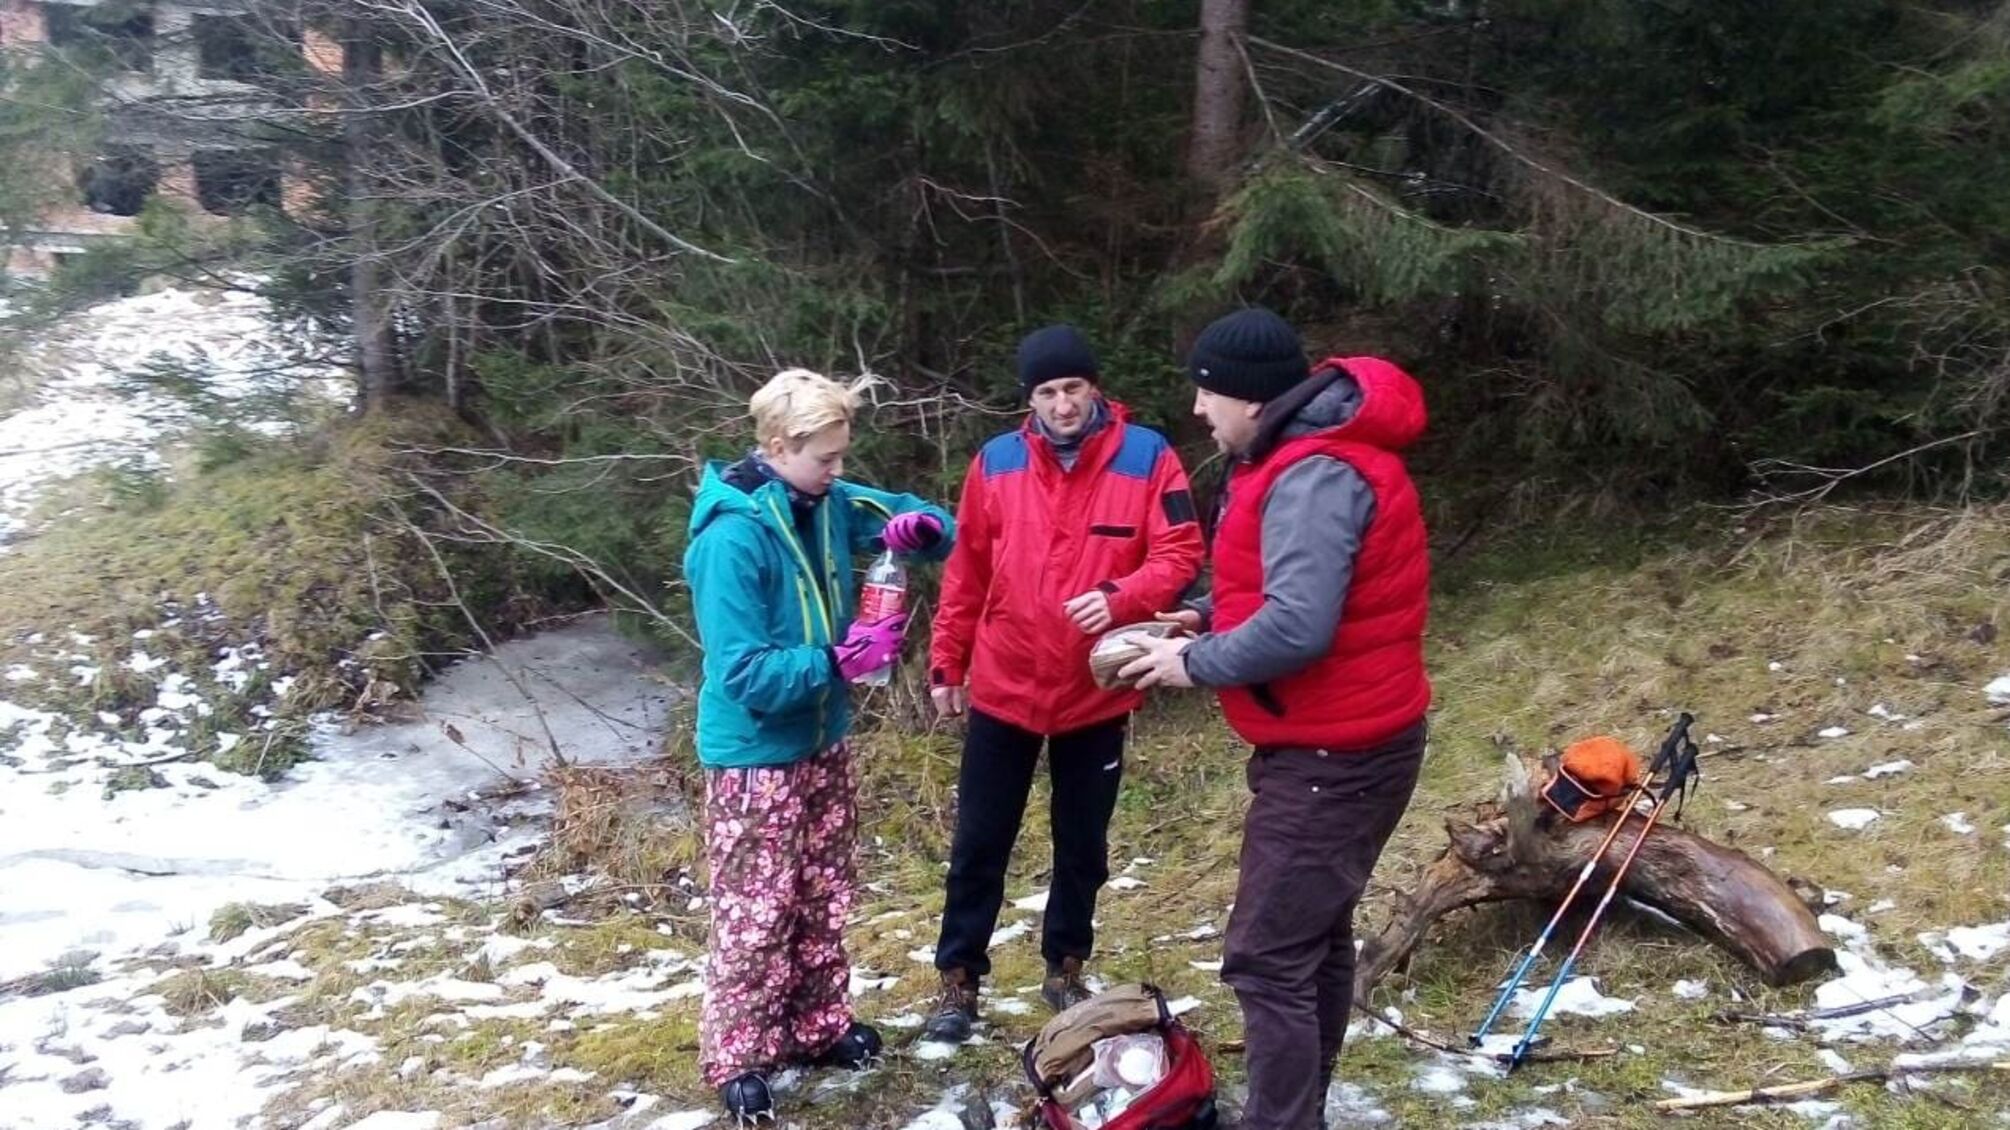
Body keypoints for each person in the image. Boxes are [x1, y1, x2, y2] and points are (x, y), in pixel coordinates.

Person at [1118, 307, 1431, 1130]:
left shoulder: (1313, 475)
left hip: (1340, 754)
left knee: (1264, 957)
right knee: (1313, 936)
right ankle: (1301, 1110)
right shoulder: (1290, 459)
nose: (1196, 410)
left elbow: (1299, 625)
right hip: (1334, 741)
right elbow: (1283, 587)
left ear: (1252, 399)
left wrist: (1192, 663)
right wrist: (1206, 617)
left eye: (1206, 393)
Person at [683, 368, 956, 1121]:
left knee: (822, 892)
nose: (840, 473)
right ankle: (740, 1053)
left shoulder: (827, 503)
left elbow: (924, 520)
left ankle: (815, 1025)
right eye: (827, 458)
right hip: (754, 756)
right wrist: (837, 660)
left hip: (823, 738)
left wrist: (922, 529)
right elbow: (742, 672)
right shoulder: (731, 537)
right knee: (757, 908)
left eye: (843, 457)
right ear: (777, 445)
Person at [921, 324, 1205, 1043]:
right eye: (1047, 392)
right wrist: (946, 661)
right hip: (1005, 681)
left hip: (1095, 688)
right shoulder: (996, 463)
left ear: (1093, 387)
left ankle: (1066, 966)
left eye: (1072, 388)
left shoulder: (1148, 457)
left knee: (1082, 842)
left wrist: (1122, 596)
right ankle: (958, 980)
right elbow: (967, 572)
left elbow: (1180, 553)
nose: (1062, 404)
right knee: (980, 840)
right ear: (1031, 399)